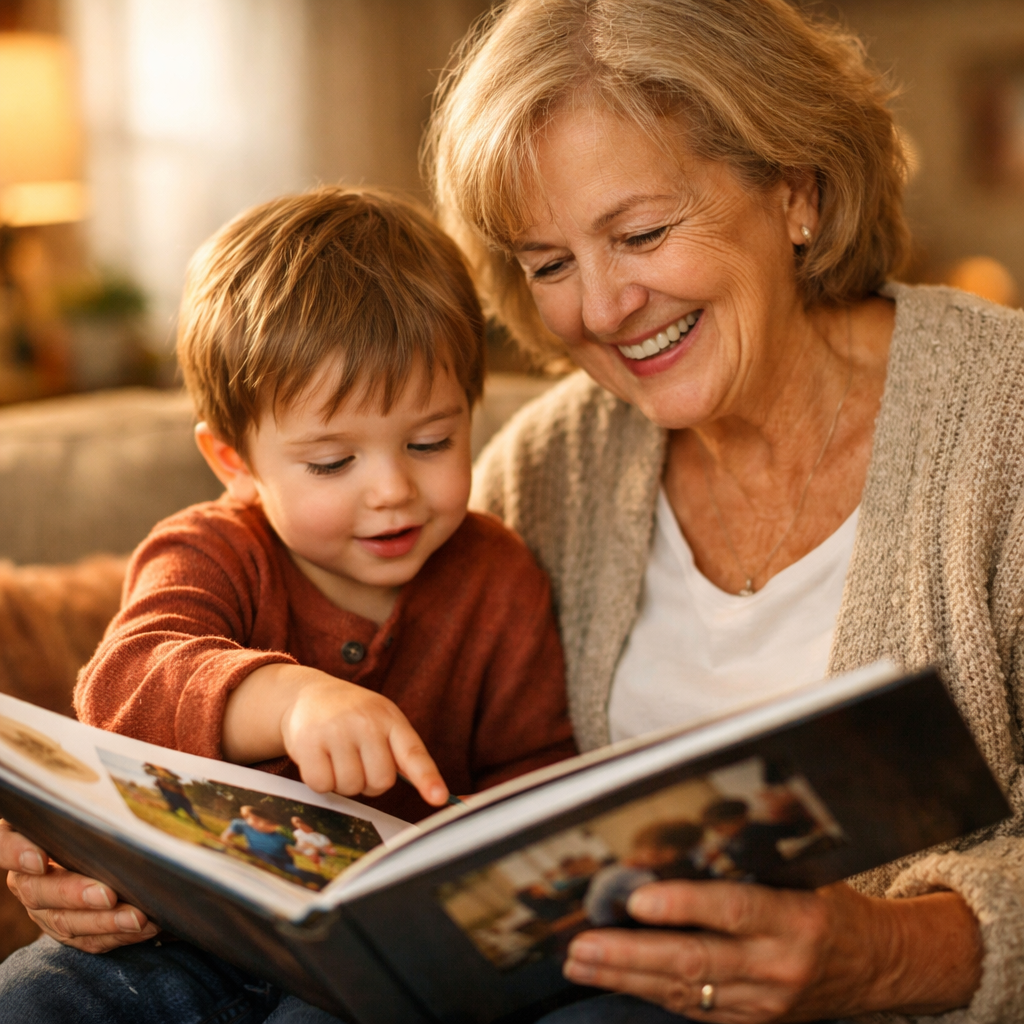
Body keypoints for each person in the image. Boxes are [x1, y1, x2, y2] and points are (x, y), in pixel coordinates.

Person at [426, 0, 1024, 1020]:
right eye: (551, 264)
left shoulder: (1003, 428)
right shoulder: (540, 471)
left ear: (795, 189)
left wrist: (887, 952)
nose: (606, 308)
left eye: (642, 233)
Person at [0, 187, 575, 1023]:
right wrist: (291, 700)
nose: (392, 491)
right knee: (31, 996)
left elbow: (538, 776)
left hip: (380, 965)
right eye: (333, 462)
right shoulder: (208, 550)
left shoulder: (499, 576)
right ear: (233, 460)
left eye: (431, 442)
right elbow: (123, 684)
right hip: (176, 942)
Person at [584, 823, 705, 926]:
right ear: (639, 847)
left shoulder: (674, 869)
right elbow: (597, 912)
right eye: (658, 850)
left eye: (676, 851)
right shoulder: (613, 876)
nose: (669, 855)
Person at [221, 807, 325, 888]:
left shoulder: (281, 833)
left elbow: (300, 847)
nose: (256, 824)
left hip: (280, 862)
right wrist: (229, 843)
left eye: (261, 821)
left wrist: (310, 852)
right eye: (253, 820)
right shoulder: (244, 825)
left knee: (300, 874)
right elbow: (225, 837)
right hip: (255, 855)